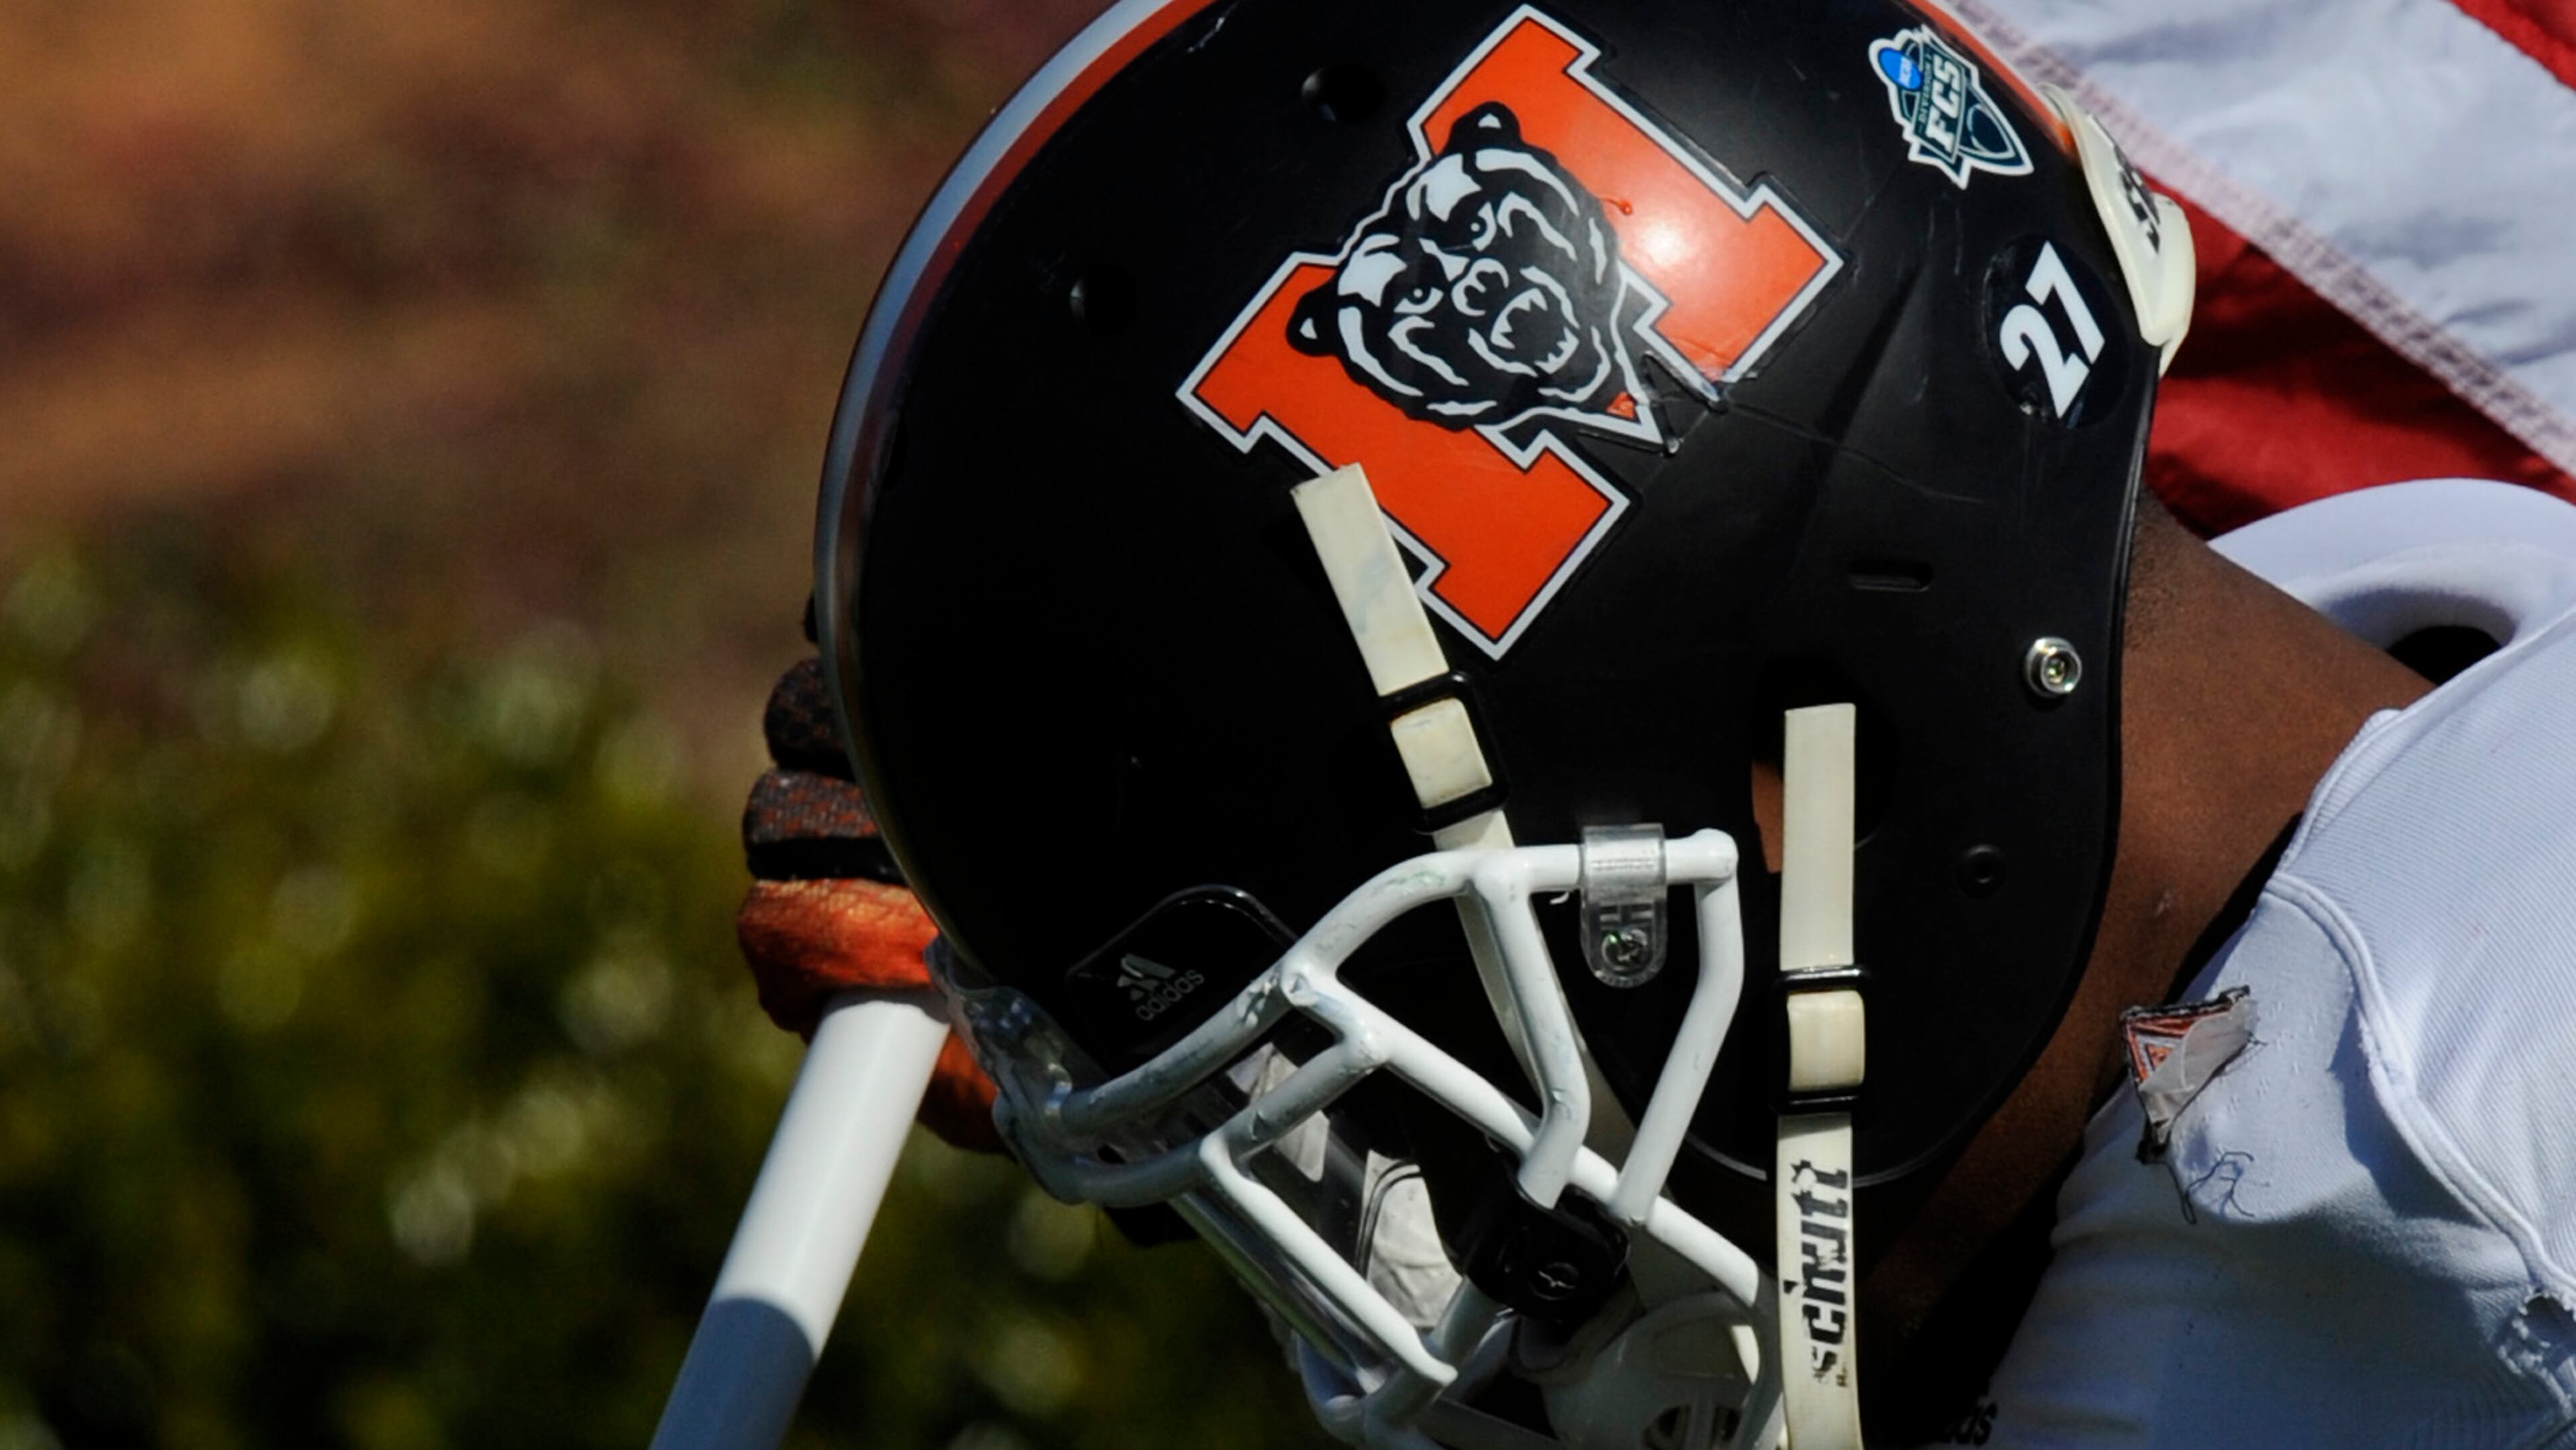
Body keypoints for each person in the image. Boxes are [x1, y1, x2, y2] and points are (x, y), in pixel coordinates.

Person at [733, 1, 2576, 1443]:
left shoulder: (2477, 1213)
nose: (1422, 1236)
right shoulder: (2431, 738)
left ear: (1810, 792)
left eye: (1403, 1101)